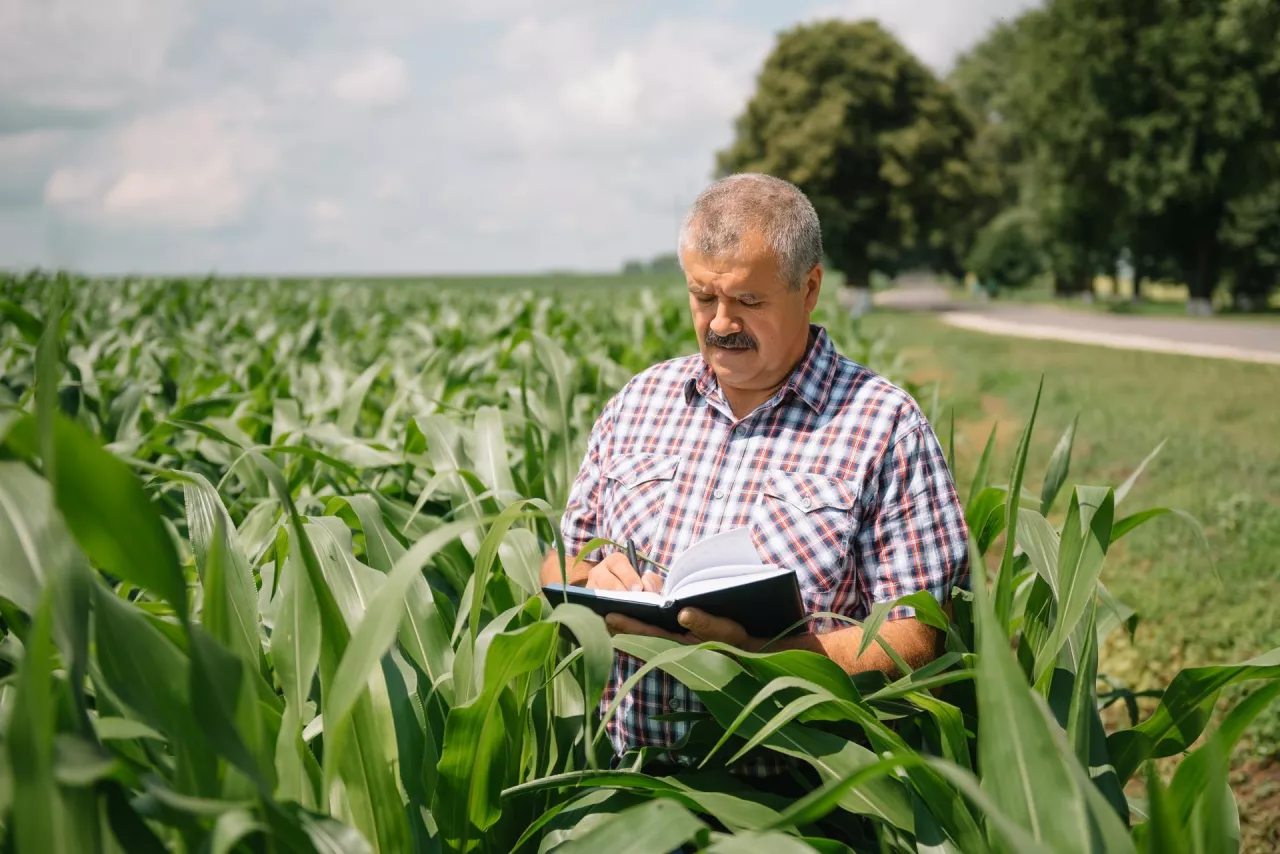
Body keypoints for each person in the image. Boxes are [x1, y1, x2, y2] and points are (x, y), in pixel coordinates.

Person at [538, 173, 969, 788]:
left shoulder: (882, 424)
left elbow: (916, 637)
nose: (719, 324)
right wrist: (592, 580)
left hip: (796, 806)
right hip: (628, 790)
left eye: (748, 302)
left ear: (809, 287)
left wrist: (759, 660)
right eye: (701, 297)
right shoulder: (638, 401)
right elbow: (558, 564)